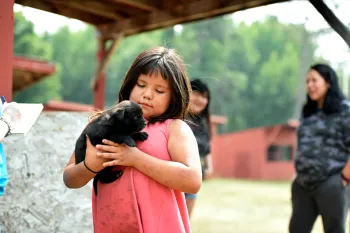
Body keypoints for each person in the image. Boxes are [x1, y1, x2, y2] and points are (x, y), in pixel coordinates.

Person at [63, 47, 202, 233]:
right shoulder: (104, 123)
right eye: (141, 85)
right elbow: (70, 179)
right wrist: (90, 166)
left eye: (159, 90)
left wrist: (135, 158)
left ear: (174, 97)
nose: (147, 94)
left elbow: (192, 180)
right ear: (130, 85)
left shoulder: (174, 129)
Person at [289, 63, 350, 233]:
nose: (310, 85)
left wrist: (343, 179)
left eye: (315, 80)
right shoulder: (308, 111)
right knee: (296, 229)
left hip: (331, 183)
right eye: (307, 81)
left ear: (328, 82)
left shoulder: (344, 110)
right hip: (302, 184)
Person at [184, 79, 213, 218]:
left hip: (193, 179)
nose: (201, 99)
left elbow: (207, 148)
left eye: (205, 97)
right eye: (197, 94)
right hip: (174, 176)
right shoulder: (178, 118)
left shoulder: (202, 123)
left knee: (184, 224)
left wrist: (209, 168)